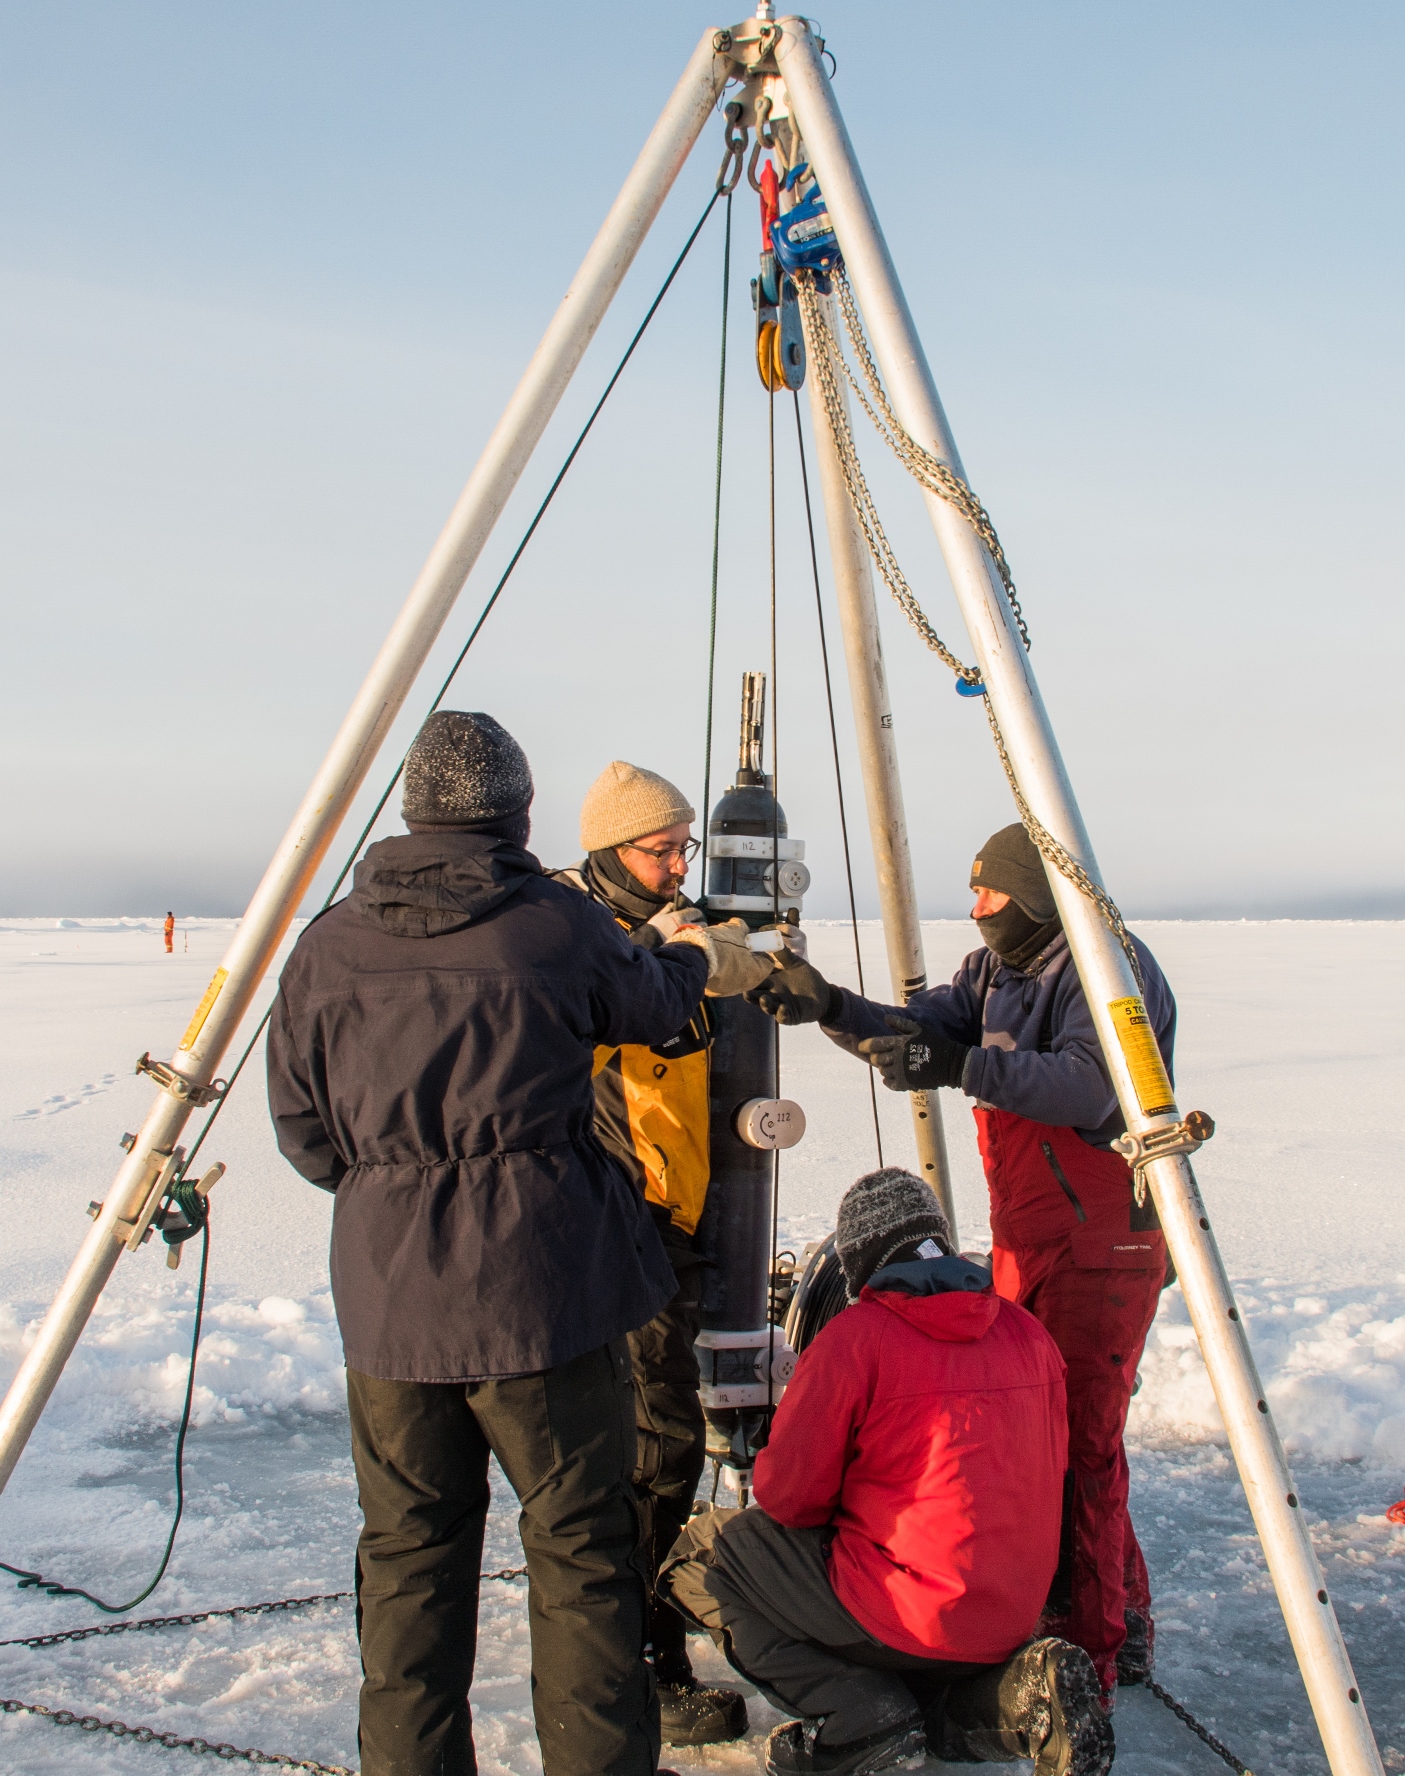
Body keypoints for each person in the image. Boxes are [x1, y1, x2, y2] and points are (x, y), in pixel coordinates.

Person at [266, 711, 729, 1776]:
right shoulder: (553, 928)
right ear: (518, 816)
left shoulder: (326, 947)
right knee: (580, 1557)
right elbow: (656, 1005)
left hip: (391, 1309)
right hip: (545, 1296)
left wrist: (398, 1193)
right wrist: (696, 954)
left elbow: (304, 1134)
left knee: (409, 1563)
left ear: (415, 810)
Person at [745, 823, 1176, 1704]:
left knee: (1082, 1445)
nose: (974, 908)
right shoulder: (994, 974)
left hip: (1104, 1242)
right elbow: (916, 1031)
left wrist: (959, 1064)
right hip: (1031, 1231)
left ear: (1036, 897)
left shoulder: (1106, 967)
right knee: (1038, 1432)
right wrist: (827, 1004)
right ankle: (1115, 1614)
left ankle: (1089, 1655)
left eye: (990, 894)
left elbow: (1088, 1085)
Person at [658, 1168, 1113, 1776]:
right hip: (1010, 1611)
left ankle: (857, 1718)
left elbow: (788, 1500)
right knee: (922, 1634)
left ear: (859, 1261)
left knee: (714, 1556)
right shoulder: (1028, 1333)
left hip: (908, 1610)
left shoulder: (856, 1339)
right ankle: (1015, 1697)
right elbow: (1051, 1473)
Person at [550, 760, 774, 1748]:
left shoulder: (663, 922)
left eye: (686, 848)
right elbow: (598, 1011)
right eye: (661, 850)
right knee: (642, 1446)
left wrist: (729, 954)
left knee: (664, 1442)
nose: (678, 865)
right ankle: (635, 1659)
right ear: (608, 848)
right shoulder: (567, 934)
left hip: (671, 1219)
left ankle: (637, 1624)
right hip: (608, 1220)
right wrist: (670, 949)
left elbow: (719, 968)